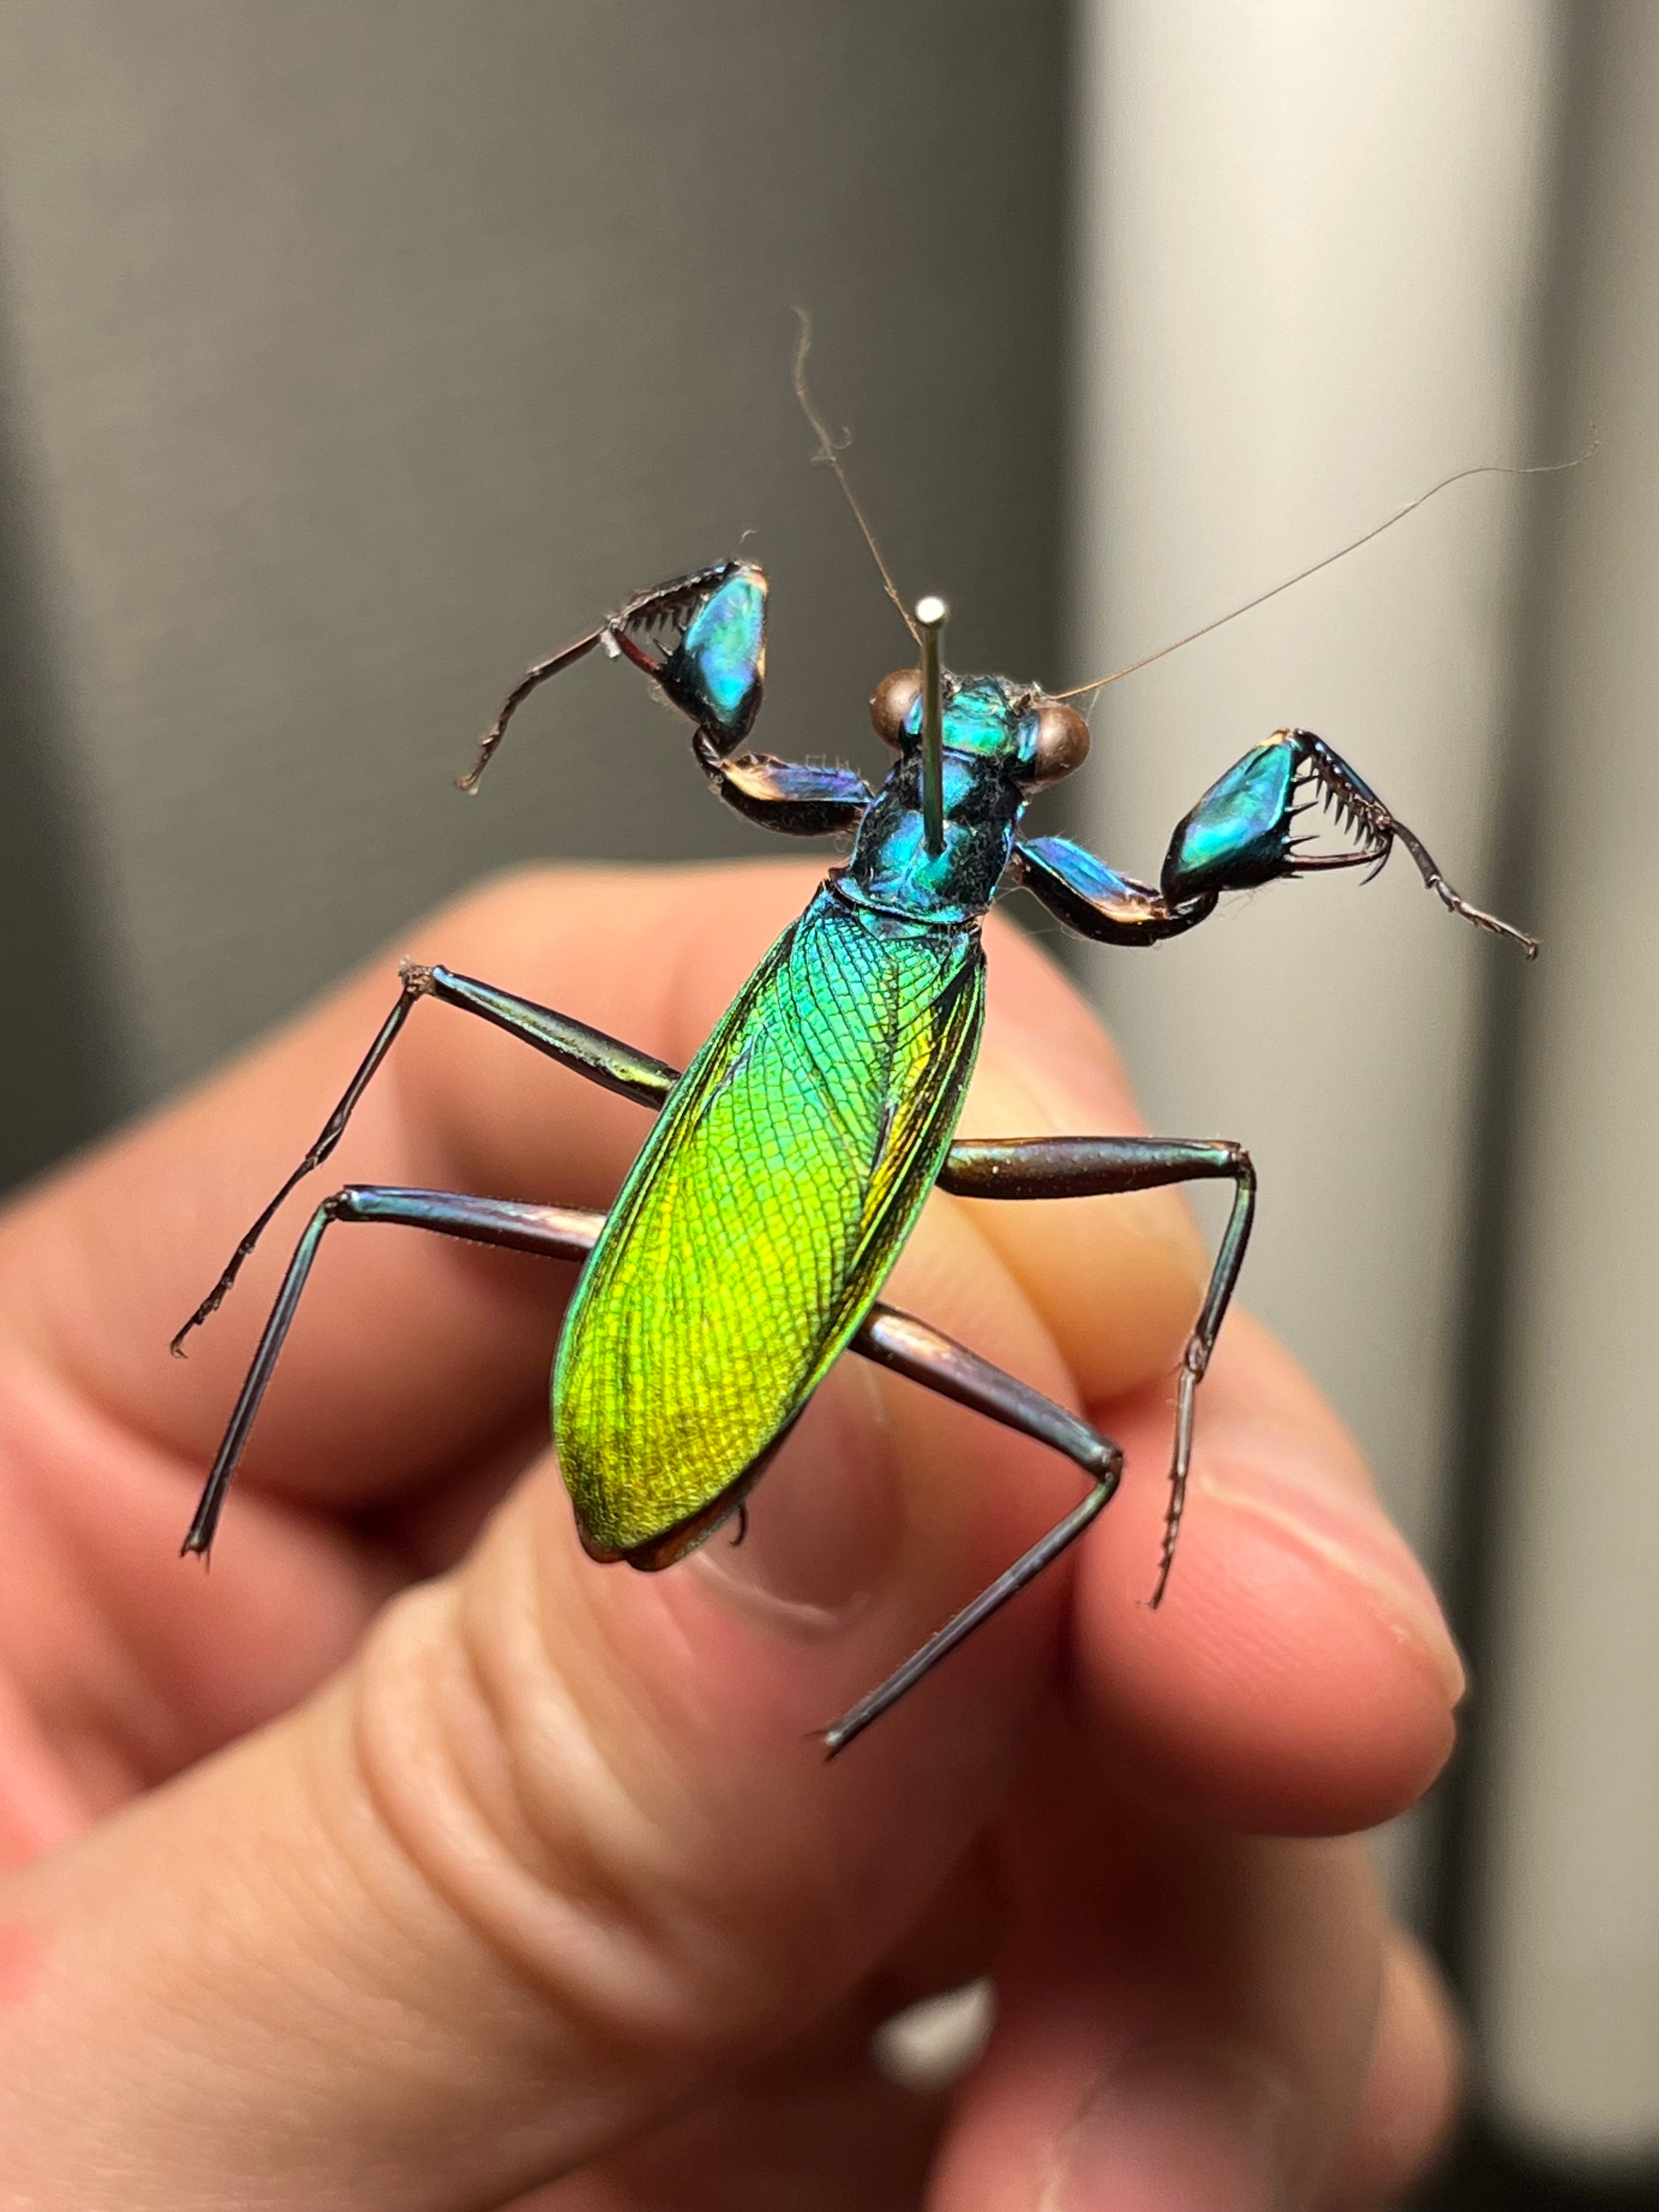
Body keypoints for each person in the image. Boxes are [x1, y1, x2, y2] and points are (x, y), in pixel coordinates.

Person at [0, 863, 1461, 2208]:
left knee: (372, 1180)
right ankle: (857, 1704)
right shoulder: (911, 946)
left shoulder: (877, 933)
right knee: (1099, 1436)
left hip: (744, 1294)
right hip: (696, 1337)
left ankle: (858, 1700)